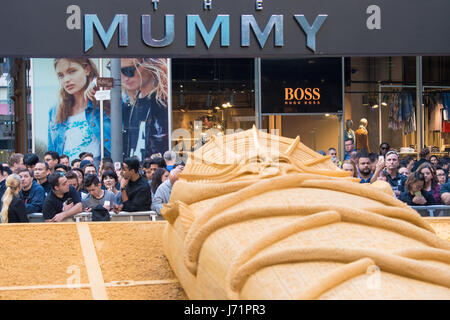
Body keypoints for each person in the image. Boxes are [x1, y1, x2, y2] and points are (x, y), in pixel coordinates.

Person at [48, 58, 111, 162]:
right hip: (67, 173)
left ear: (87, 69)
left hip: (94, 171)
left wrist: (96, 84)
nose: (66, 80)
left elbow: (118, 85)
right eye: (61, 75)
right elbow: (51, 153)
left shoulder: (103, 102)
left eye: (72, 71)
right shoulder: (55, 111)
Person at [121, 58, 169, 161]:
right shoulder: (131, 104)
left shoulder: (162, 103)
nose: (124, 78)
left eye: (129, 70)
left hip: (153, 168)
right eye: (119, 71)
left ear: (149, 65)